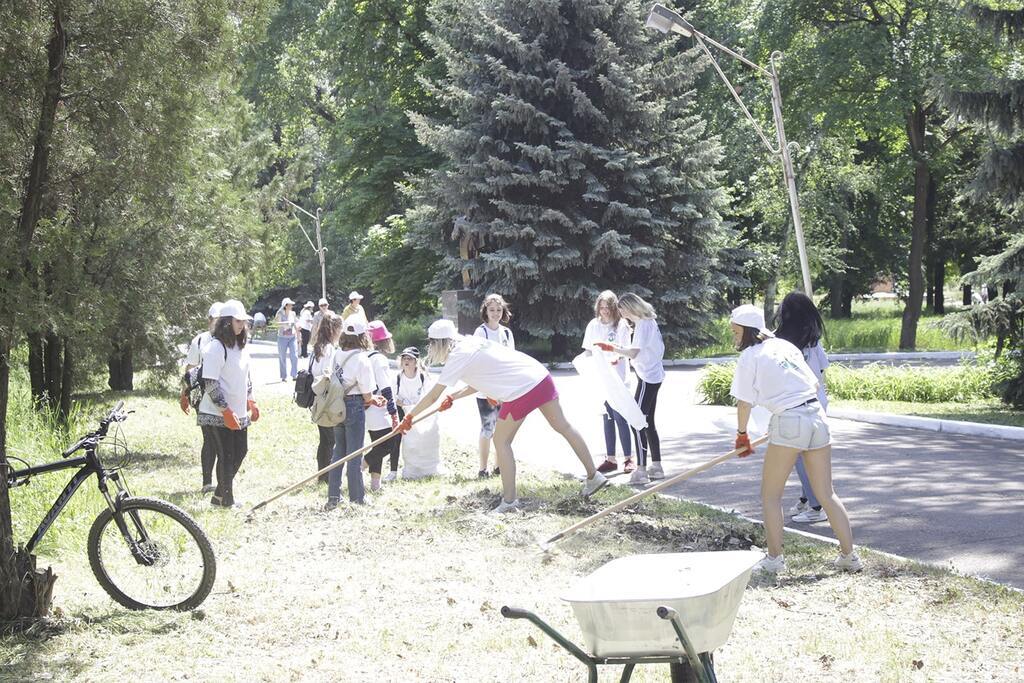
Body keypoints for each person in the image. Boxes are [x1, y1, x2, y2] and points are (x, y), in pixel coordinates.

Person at [398, 319, 608, 513]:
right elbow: (484, 376)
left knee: (501, 440)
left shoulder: (457, 356)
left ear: (439, 343)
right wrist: (455, 396)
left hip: (521, 390)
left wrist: (409, 418)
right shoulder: (470, 342)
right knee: (563, 426)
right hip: (540, 377)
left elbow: (433, 395)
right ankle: (594, 476)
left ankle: (509, 501)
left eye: (432, 344)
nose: (430, 348)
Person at [728, 303, 861, 574]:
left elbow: (744, 403)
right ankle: (850, 557)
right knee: (826, 493)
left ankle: (774, 561)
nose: (734, 337)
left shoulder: (750, 356)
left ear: (747, 331)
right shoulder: (785, 346)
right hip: (816, 417)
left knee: (770, 496)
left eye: (735, 331)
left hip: (790, 422)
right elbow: (813, 384)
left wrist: (742, 435)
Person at [594, 292, 665, 485]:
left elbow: (633, 352)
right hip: (652, 375)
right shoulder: (647, 322)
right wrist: (617, 349)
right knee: (647, 421)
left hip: (648, 378)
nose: (620, 312)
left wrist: (612, 348)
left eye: (622, 309)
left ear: (630, 308)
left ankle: (641, 470)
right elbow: (638, 350)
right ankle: (656, 466)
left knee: (637, 421)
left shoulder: (643, 324)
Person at [773, 292, 830, 523]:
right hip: (818, 403)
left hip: (796, 406)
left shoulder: (782, 343)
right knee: (807, 456)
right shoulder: (814, 341)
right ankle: (808, 499)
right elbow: (823, 371)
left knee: (800, 457)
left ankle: (817, 506)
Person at [197, 299, 259, 508]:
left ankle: (219, 495)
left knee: (241, 451)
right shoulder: (215, 347)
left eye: (244, 321)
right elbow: (210, 383)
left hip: (239, 411)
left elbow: (245, 377)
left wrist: (251, 400)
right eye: (237, 320)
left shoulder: (241, 346)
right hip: (217, 413)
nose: (242, 325)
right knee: (226, 455)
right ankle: (226, 500)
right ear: (226, 322)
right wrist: (225, 410)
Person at [325, 317, 378, 510]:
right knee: (355, 453)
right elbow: (367, 394)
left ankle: (333, 496)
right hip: (354, 405)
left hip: (336, 404)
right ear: (362, 336)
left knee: (338, 451)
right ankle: (357, 498)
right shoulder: (362, 359)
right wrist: (372, 400)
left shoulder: (337, 354)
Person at [582, 291, 633, 475]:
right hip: (601, 379)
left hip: (618, 378)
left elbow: (625, 350)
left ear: (614, 307)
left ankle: (628, 458)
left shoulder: (622, 325)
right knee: (607, 417)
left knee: (621, 417)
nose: (604, 311)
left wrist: (613, 358)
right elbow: (588, 351)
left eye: (608, 307)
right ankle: (611, 459)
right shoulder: (593, 325)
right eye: (601, 307)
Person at [180, 301, 223, 492]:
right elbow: (189, 369)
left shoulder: (228, 340)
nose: (219, 323)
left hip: (224, 395)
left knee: (222, 440)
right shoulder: (200, 340)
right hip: (202, 397)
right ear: (209, 320)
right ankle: (207, 482)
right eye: (216, 319)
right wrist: (184, 394)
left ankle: (223, 481)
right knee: (210, 438)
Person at [473, 293, 515, 478]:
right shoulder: (481, 332)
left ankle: (499, 466)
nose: (496, 313)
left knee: (503, 430)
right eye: (492, 310)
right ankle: (483, 468)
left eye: (499, 310)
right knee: (488, 428)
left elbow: (512, 359)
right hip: (486, 390)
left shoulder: (506, 333)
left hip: (505, 389)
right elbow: (478, 359)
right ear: (485, 311)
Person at [393, 347, 439, 479]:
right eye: (404, 358)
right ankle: (399, 471)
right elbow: (393, 396)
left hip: (419, 412)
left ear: (416, 362)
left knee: (421, 440)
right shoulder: (398, 377)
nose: (406, 361)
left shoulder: (423, 377)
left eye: (410, 358)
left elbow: (428, 396)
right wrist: (405, 405)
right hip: (402, 411)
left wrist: (415, 407)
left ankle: (425, 469)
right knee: (401, 442)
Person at [364, 320, 399, 492]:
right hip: (378, 409)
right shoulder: (380, 360)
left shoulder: (364, 356)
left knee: (377, 445)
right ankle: (358, 466)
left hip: (366, 408)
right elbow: (386, 388)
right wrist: (393, 413)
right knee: (388, 445)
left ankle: (375, 484)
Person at [309, 312, 344, 483]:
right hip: (327, 397)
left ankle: (322, 474)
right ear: (334, 329)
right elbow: (328, 374)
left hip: (317, 396)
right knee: (330, 439)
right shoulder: (329, 349)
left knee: (324, 438)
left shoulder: (317, 346)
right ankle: (327, 475)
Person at [275, 297, 300, 382]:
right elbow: (277, 324)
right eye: (290, 304)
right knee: (282, 357)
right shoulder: (279, 313)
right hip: (282, 338)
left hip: (292, 337)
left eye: (291, 304)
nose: (291, 306)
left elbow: (296, 324)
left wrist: (299, 336)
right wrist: (285, 324)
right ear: (285, 305)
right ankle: (283, 376)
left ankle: (294, 375)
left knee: (294, 356)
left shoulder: (293, 313)